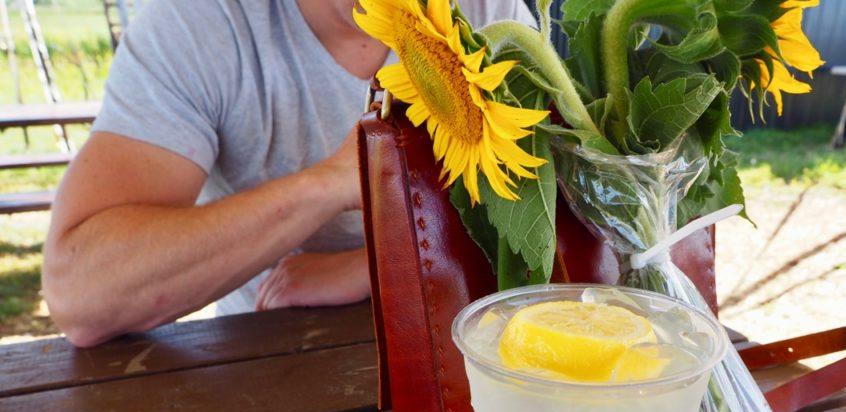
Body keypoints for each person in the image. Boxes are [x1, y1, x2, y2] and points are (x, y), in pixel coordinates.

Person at [43, 0, 536, 347]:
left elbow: (545, 226)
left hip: (457, 337)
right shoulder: (200, 26)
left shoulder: (490, 15)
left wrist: (376, 266)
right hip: (264, 353)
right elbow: (82, 294)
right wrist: (333, 183)